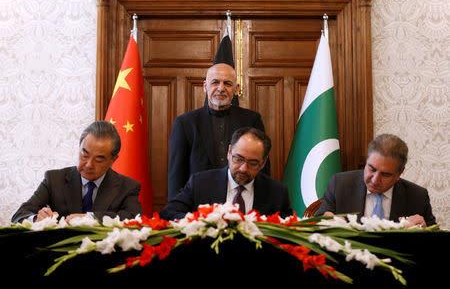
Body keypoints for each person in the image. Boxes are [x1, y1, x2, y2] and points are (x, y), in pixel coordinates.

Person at [168, 62, 269, 201]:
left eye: (227, 83)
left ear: (236, 89)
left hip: (242, 203)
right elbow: (176, 176)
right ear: (205, 86)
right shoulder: (185, 123)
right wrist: (177, 213)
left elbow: (263, 168)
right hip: (198, 206)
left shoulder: (252, 119)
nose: (221, 88)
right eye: (215, 82)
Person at [11, 121, 143, 224]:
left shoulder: (127, 187)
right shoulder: (54, 179)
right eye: (84, 155)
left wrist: (90, 219)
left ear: (113, 159)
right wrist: (36, 219)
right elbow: (19, 215)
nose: (89, 165)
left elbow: (133, 219)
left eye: (98, 159)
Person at [161, 127, 292, 221]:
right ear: (229, 152)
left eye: (252, 163)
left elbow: (288, 231)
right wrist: (204, 222)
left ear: (263, 162)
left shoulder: (277, 192)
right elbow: (169, 213)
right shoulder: (200, 183)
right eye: (238, 159)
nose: (243, 168)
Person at [315, 133, 436, 228]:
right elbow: (317, 222)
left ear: (399, 173)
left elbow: (435, 236)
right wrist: (326, 221)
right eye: (371, 169)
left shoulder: (417, 197)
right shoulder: (340, 184)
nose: (375, 179)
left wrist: (423, 231)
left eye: (385, 174)